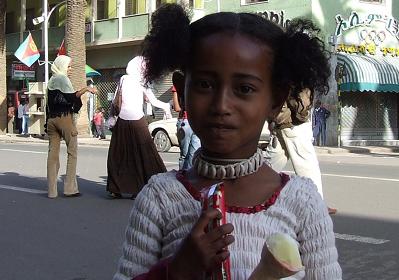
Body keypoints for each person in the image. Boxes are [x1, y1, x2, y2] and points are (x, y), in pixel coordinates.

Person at [113, 4, 341, 280]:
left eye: (244, 89)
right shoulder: (159, 199)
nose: (221, 105)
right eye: (205, 85)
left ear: (276, 99)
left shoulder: (302, 203)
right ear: (182, 90)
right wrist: (178, 271)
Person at [106, 56, 171, 199]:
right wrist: (166, 108)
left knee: (118, 155)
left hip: (122, 121)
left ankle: (116, 188)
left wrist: (111, 117)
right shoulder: (143, 82)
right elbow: (153, 100)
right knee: (145, 154)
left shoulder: (123, 79)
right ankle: (151, 187)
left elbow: (116, 100)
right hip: (138, 121)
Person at [264, 88, 337, 215]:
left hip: (284, 121)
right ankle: (317, 203)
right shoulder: (298, 73)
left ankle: (251, 189)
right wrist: (302, 114)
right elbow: (300, 98)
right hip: (293, 123)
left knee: (272, 161)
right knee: (307, 164)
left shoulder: (282, 73)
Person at [46, 55, 97, 198]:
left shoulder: (51, 80)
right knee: (72, 152)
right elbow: (72, 97)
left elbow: (48, 105)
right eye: (68, 66)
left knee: (52, 155)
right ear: (62, 66)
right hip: (64, 119)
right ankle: (69, 189)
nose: (70, 69)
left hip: (51, 120)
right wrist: (86, 89)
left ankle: (52, 191)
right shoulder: (62, 79)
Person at [171, 71, 201, 170]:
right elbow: (177, 108)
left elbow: (176, 108)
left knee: (188, 155)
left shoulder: (188, 83)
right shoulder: (194, 83)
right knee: (190, 155)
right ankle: (184, 179)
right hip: (190, 123)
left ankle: (185, 180)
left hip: (187, 123)